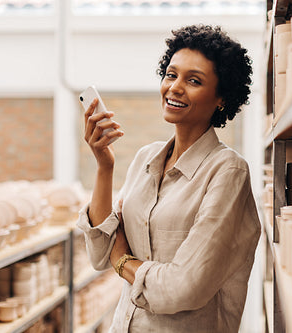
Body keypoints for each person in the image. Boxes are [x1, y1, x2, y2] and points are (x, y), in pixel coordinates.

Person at [77, 24, 261, 333]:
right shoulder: (145, 159)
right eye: (171, 74)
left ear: (221, 98)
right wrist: (104, 166)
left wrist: (123, 261)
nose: (175, 87)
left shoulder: (227, 171)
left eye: (194, 80)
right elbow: (98, 253)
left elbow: (183, 287)